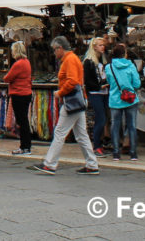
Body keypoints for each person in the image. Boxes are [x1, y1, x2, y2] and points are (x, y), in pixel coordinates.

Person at [29, 36, 100, 176]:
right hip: (78, 100)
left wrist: (60, 93)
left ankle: (50, 164)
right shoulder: (72, 59)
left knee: (60, 132)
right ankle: (92, 164)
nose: (54, 53)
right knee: (81, 135)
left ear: (60, 48)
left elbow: (72, 81)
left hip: (71, 101)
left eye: (55, 50)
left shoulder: (69, 60)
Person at [106, 43, 141, 161]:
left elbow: (109, 81)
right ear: (125, 54)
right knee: (132, 125)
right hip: (130, 99)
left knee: (115, 125)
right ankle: (133, 153)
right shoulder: (131, 66)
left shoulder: (109, 67)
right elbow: (137, 84)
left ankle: (116, 152)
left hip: (115, 99)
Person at [3, 41, 33, 155]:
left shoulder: (18, 64)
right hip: (26, 93)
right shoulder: (27, 62)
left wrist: (5, 76)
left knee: (21, 121)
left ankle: (24, 146)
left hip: (18, 94)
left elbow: (7, 78)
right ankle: (26, 146)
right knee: (24, 120)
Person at [82, 37, 110, 156]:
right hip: (95, 93)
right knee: (101, 118)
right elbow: (87, 80)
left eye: (103, 45)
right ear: (94, 47)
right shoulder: (89, 61)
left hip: (103, 93)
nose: (102, 47)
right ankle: (96, 145)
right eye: (100, 45)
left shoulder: (102, 61)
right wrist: (99, 86)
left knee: (102, 119)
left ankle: (99, 144)